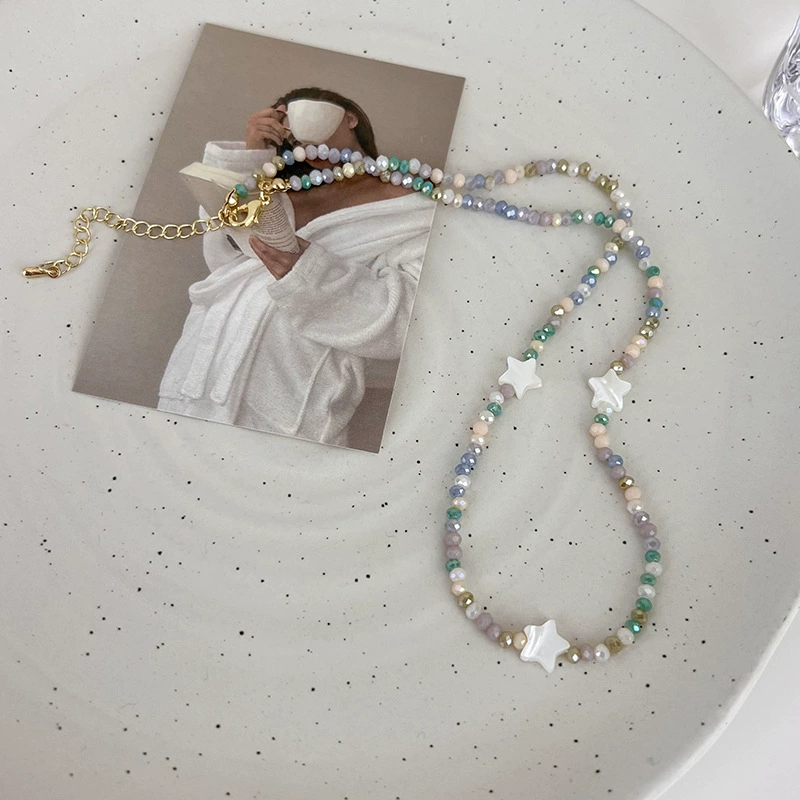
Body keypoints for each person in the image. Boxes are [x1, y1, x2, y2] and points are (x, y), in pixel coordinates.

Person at [157, 88, 436, 449]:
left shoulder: (413, 205)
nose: (297, 130)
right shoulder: (280, 190)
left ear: (350, 117)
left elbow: (409, 322)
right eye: (284, 121)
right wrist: (252, 157)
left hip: (288, 405)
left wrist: (310, 272)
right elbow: (223, 263)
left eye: (304, 113)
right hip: (197, 379)